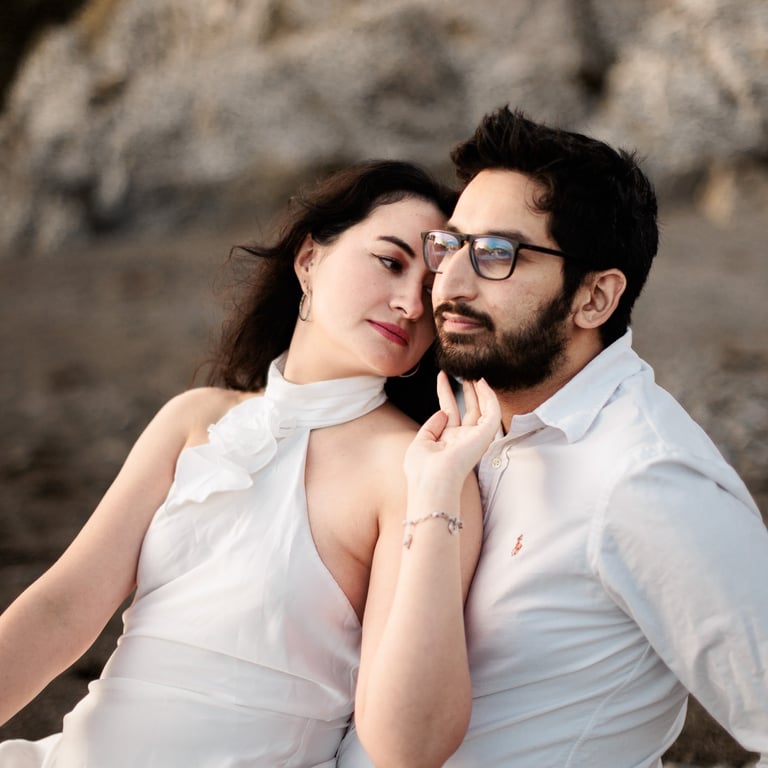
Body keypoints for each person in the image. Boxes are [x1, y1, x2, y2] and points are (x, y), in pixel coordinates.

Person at [0, 160, 501, 768]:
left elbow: (408, 737)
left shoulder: (416, 468)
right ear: (309, 259)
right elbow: (62, 609)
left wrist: (439, 490)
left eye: (429, 290)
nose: (409, 305)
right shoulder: (195, 417)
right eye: (390, 262)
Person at [337, 108, 768, 767]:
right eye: (449, 246)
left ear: (594, 299)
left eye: (497, 255)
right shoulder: (460, 415)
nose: (449, 284)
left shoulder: (646, 480)